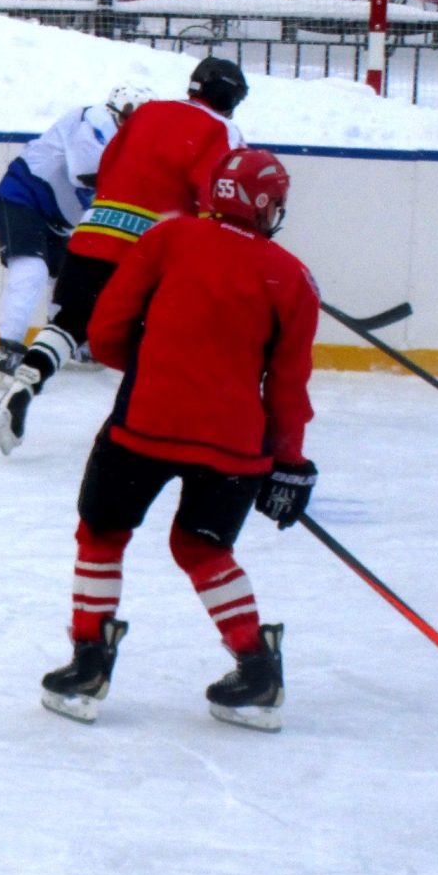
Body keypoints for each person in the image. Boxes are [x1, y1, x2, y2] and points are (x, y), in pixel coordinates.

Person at [39, 147, 319, 731]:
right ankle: (257, 668)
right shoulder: (292, 276)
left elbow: (106, 328)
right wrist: (288, 465)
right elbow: (288, 387)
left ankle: (90, 662)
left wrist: (149, 368)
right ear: (267, 207)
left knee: (102, 532)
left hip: (146, 424)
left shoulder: (168, 239)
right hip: (235, 443)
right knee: (203, 550)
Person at [0, 55, 248, 453]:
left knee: (68, 324)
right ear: (232, 99)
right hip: (148, 249)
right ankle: (137, 426)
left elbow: (108, 166)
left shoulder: (146, 114)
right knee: (156, 338)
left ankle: (26, 382)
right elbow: (216, 194)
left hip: (93, 230)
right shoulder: (223, 130)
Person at [0, 87, 150, 386]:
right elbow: (84, 173)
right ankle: (6, 353)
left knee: (66, 281)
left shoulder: (121, 135)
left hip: (58, 219)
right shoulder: (95, 121)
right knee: (31, 271)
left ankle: (65, 344)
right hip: (21, 199)